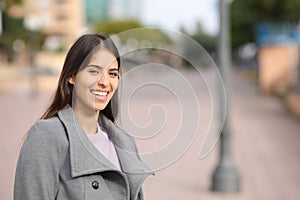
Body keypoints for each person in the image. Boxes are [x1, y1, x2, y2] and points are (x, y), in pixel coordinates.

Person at [14, 33, 152, 200]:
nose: (104, 81)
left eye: (113, 73)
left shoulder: (125, 142)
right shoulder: (47, 136)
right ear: (72, 76)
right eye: (94, 71)